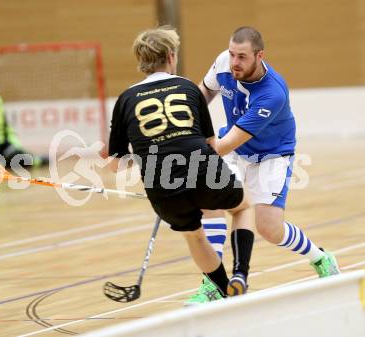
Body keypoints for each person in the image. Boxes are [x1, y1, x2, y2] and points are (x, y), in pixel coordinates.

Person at [196, 26, 340, 295]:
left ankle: (320, 257)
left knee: (269, 228)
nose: (234, 62)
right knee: (210, 202)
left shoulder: (272, 93)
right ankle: (212, 285)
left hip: (271, 154)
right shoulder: (223, 62)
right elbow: (203, 92)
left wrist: (185, 150)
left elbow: (226, 145)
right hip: (237, 149)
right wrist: (184, 119)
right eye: (232, 54)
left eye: (242, 57)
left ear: (259, 55)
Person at [108, 26, 244, 304]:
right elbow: (211, 145)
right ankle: (241, 274)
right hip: (203, 170)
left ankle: (222, 289)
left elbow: (116, 165)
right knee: (243, 207)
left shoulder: (124, 99)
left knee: (195, 237)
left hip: (161, 187)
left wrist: (147, 157)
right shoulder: (186, 87)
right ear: (171, 56)